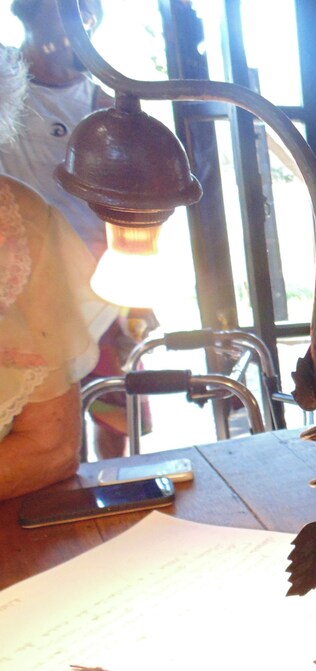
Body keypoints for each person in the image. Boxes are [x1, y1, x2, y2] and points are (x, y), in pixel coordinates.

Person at [0, 0, 156, 460]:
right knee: (43, 424)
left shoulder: (103, 106)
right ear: (27, 13)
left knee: (117, 410)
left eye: (90, 12)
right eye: (69, 9)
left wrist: (139, 298)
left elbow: (133, 210)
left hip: (100, 284)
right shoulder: (7, 87)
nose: (81, 20)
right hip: (24, 290)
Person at [0, 44, 115, 500]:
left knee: (115, 406)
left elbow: (51, 448)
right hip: (72, 272)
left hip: (87, 272)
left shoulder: (20, 220)